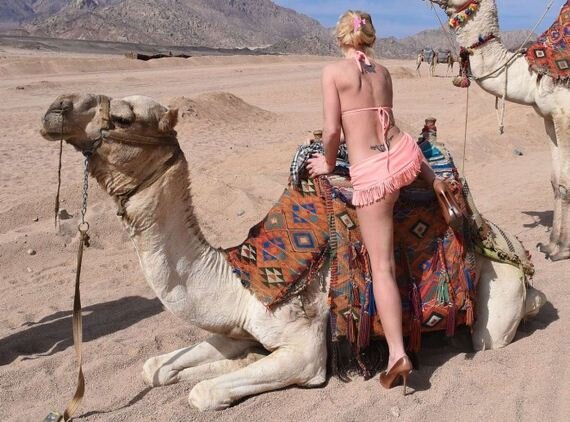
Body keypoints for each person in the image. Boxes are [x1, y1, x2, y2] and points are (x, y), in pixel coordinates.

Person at [306, 10, 445, 394]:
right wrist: (427, 174)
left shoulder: (332, 72)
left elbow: (332, 130)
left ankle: (397, 353)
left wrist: (328, 162)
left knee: (382, 266)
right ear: (370, 37)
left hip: (372, 172)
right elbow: (388, 123)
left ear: (340, 37)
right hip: (401, 154)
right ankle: (434, 183)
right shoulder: (382, 73)